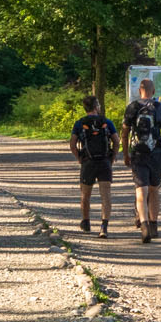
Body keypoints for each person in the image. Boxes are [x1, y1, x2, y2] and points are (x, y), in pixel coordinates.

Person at [120, 77, 161, 244]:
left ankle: (143, 226)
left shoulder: (132, 107)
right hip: (156, 153)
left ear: (139, 91)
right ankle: (154, 225)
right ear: (154, 91)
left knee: (140, 191)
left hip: (138, 153)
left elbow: (124, 133)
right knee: (154, 190)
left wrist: (126, 154)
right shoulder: (160, 108)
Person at [68, 94, 116, 236]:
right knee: (105, 195)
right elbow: (117, 140)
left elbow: (72, 144)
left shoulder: (79, 123)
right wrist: (112, 157)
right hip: (104, 162)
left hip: (88, 162)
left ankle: (86, 222)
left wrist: (79, 157)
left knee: (85, 194)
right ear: (96, 107)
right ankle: (104, 227)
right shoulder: (106, 122)